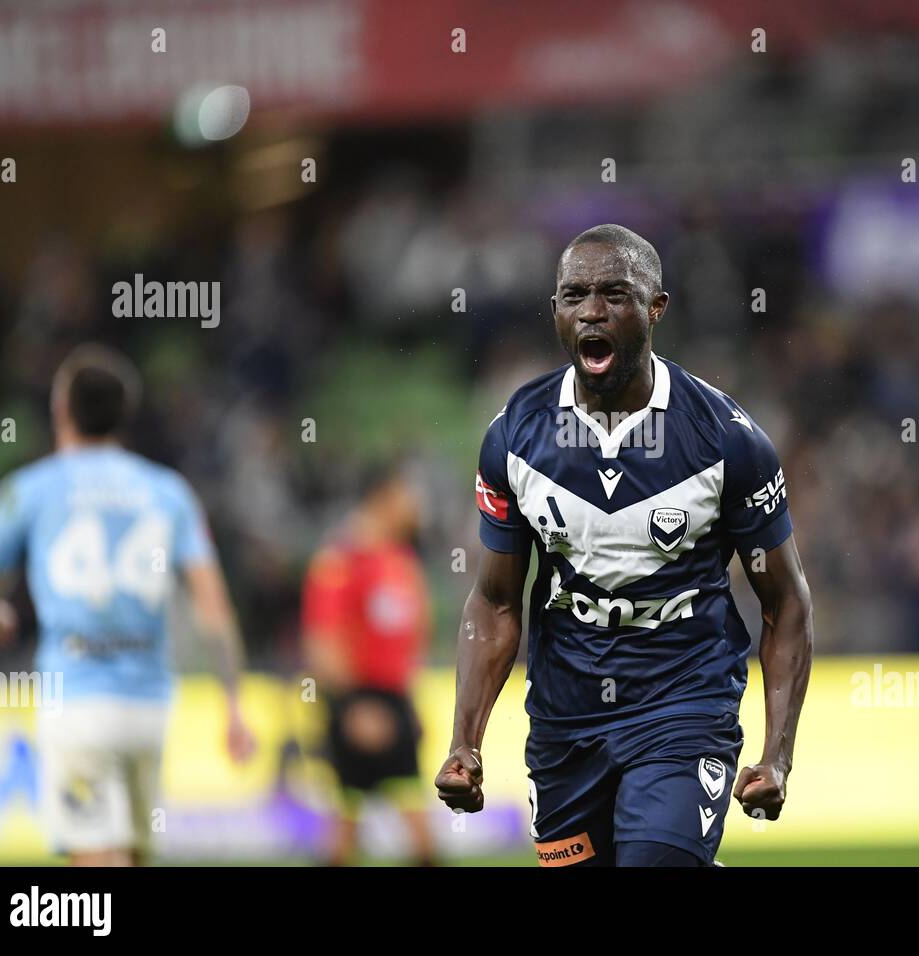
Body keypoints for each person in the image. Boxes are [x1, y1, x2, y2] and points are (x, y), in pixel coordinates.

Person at [435, 224, 813, 867]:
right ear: (555, 310)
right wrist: (466, 742)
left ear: (655, 308)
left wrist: (777, 756)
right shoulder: (515, 437)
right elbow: (496, 603)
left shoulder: (726, 439)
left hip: (682, 702)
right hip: (565, 719)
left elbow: (786, 605)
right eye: (574, 295)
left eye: (615, 293)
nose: (591, 310)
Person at [0, 344, 255, 866]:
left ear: (60, 409)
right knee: (134, 855)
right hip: (149, 704)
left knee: (97, 863)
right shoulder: (169, 492)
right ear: (125, 414)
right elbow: (214, 606)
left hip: (76, 701)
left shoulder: (27, 490)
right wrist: (233, 703)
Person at [301, 461, 436, 866]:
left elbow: (407, 638)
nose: (415, 505)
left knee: (352, 829)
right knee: (362, 830)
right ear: (383, 498)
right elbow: (322, 641)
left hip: (393, 700)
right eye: (406, 495)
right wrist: (351, 707)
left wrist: (409, 703)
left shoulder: (399, 558)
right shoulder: (343, 559)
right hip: (360, 701)